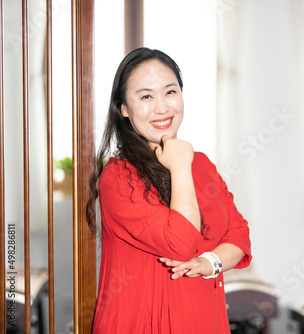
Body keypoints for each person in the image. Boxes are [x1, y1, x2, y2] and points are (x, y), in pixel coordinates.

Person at [86, 47, 252, 333]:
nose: (162, 107)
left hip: (203, 321)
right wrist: (179, 166)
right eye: (146, 96)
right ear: (124, 108)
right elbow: (180, 242)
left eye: (170, 92)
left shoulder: (200, 164)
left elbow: (239, 235)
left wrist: (208, 262)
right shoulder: (118, 175)